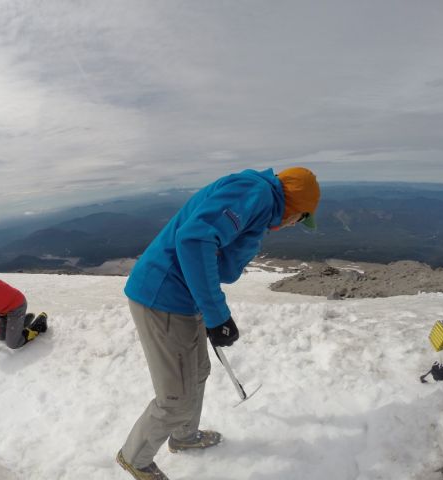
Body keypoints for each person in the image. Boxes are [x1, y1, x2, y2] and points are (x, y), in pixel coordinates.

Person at [116, 167, 321, 480]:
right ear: (295, 206)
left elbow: (218, 258)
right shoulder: (256, 193)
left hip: (182, 298)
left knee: (198, 372)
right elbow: (195, 240)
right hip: (163, 297)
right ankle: (135, 458)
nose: (295, 224)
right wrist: (217, 315)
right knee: (176, 398)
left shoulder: (259, 200)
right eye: (302, 217)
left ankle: (184, 437)